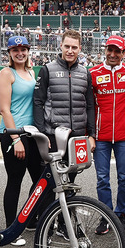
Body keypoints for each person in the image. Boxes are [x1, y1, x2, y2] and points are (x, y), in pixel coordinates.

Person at [33, 28, 96, 193]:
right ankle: (46, 218)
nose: (70, 51)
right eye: (67, 46)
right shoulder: (47, 69)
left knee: (71, 182)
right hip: (53, 135)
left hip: (77, 135)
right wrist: (42, 135)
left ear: (80, 48)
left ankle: (64, 219)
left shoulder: (85, 73)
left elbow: (90, 105)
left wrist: (91, 135)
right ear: (60, 46)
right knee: (51, 181)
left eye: (74, 47)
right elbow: (38, 102)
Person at [0, 35, 41, 246]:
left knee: (41, 179)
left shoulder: (31, 72)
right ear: (10, 53)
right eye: (15, 50)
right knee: (15, 180)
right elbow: (4, 108)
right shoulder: (7, 73)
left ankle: (29, 218)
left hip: (31, 133)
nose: (20, 53)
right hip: (13, 134)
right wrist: (16, 139)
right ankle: (9, 230)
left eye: (23, 49)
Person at [90, 35, 125, 234]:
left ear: (124, 53)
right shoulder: (93, 73)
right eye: (110, 50)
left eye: (118, 51)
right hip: (101, 135)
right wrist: (90, 133)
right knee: (102, 178)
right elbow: (88, 106)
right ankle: (106, 215)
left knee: (124, 178)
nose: (113, 54)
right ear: (105, 50)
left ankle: (121, 213)